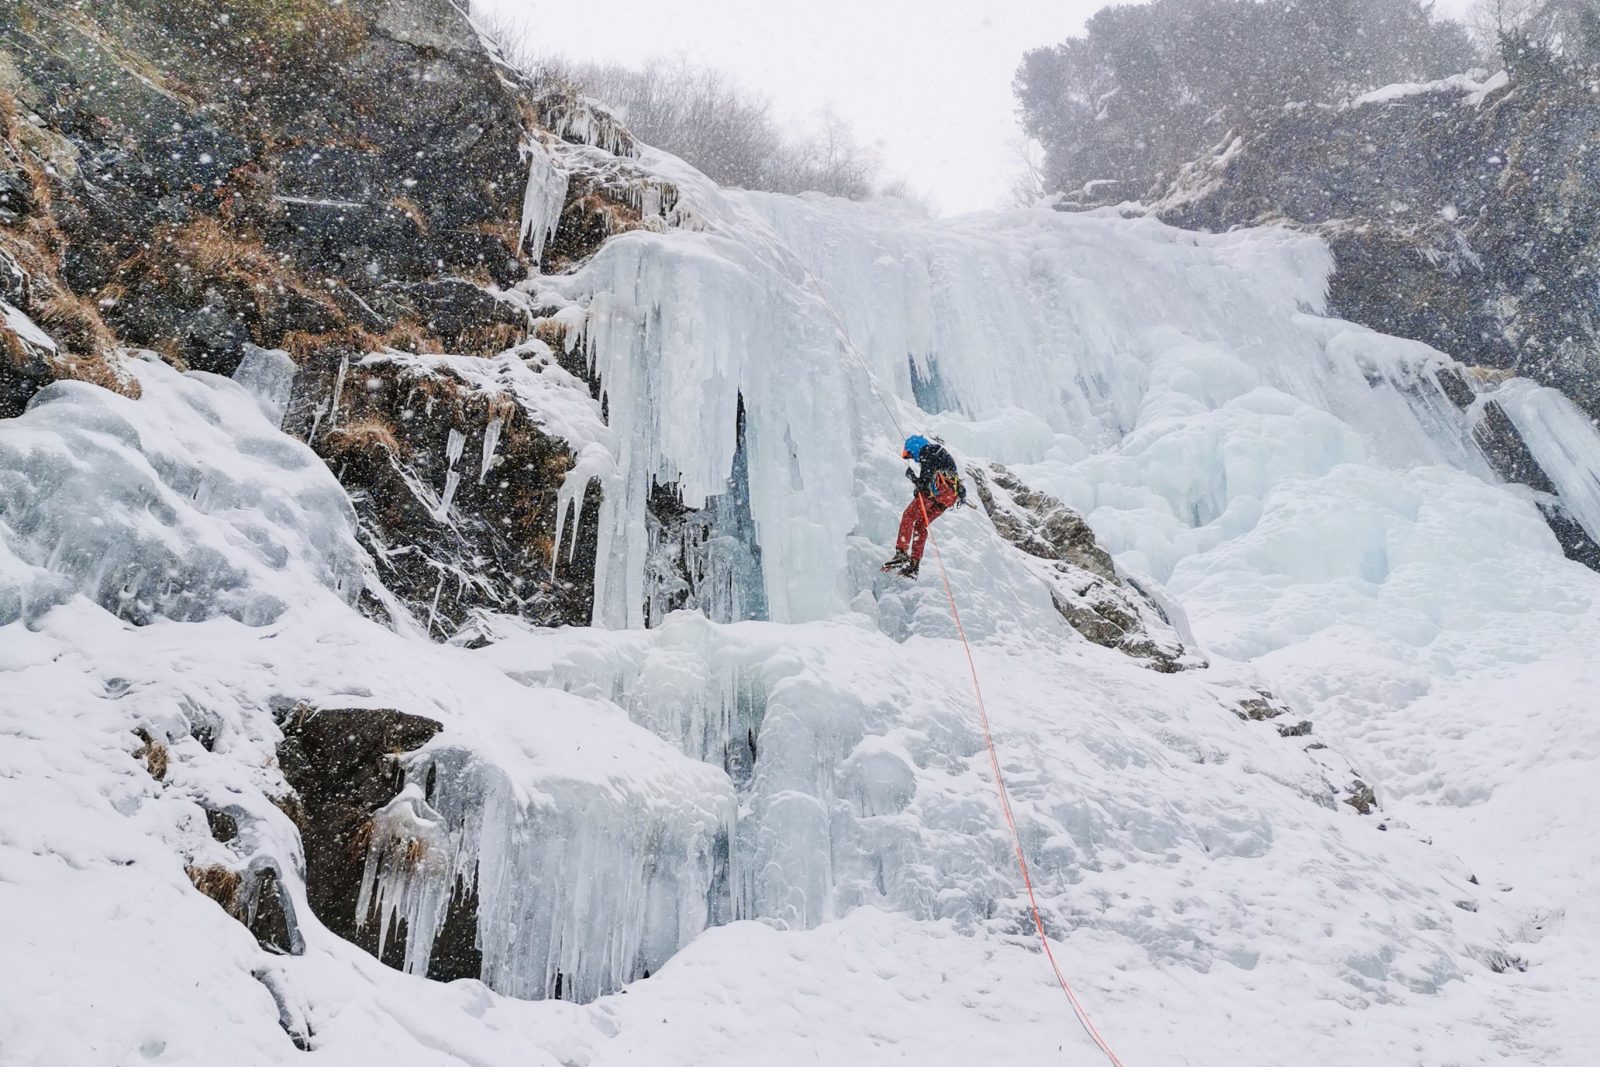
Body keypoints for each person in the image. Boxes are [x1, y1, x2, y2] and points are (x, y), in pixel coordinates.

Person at [883, 434, 967, 579]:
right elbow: (926, 478)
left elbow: (925, 481)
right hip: (949, 497)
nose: (911, 458)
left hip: (939, 488)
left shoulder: (927, 450)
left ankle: (901, 553)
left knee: (908, 516)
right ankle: (914, 565)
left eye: (909, 453)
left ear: (914, 447)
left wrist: (914, 479)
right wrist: (918, 482)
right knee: (920, 525)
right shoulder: (939, 454)